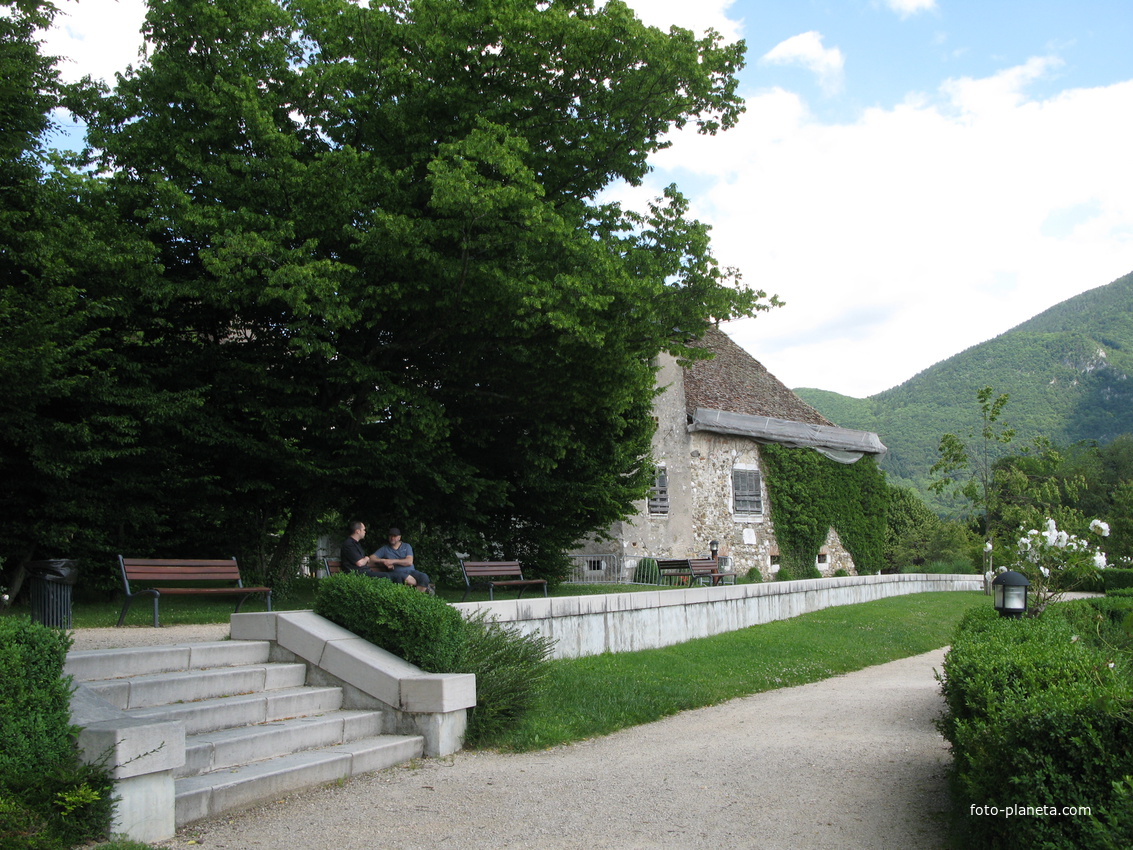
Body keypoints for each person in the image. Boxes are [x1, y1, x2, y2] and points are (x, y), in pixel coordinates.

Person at [372, 527, 433, 593]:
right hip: (397, 573)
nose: (392, 538)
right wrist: (383, 561)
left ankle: (416, 597)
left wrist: (392, 561)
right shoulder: (385, 549)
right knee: (409, 580)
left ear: (399, 537)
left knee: (424, 577)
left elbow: (409, 562)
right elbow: (372, 558)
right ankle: (414, 597)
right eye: (390, 536)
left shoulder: (406, 546)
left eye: (395, 536)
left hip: (411, 571)